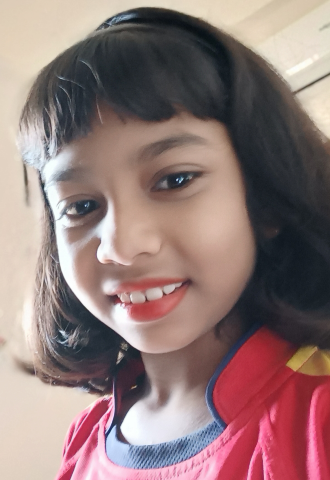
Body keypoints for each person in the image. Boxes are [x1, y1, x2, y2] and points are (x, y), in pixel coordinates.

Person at [18, 7, 330, 479]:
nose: (121, 247)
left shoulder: (317, 418)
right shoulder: (84, 438)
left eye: (174, 180)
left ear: (265, 196)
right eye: (81, 207)